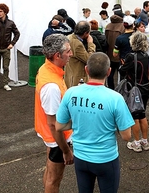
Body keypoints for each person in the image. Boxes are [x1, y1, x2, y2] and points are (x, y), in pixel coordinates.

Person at [55, 52, 134, 193]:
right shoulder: (115, 98)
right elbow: (126, 136)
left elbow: (59, 126)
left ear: (86, 69)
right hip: (106, 158)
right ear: (109, 72)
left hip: (81, 157)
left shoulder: (71, 93)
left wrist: (81, 123)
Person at [34, 34, 74, 193]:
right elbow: (53, 124)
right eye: (68, 51)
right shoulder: (51, 86)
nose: (71, 54)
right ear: (58, 55)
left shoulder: (46, 68)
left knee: (50, 172)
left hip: (51, 137)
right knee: (54, 179)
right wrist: (66, 150)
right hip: (58, 139)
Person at [119, 32, 149, 153]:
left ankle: (136, 142)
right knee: (143, 114)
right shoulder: (146, 55)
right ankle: (145, 141)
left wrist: (123, 65)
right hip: (145, 88)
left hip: (134, 89)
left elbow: (122, 71)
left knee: (135, 116)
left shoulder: (131, 56)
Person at [64, 21, 96, 87]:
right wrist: (90, 44)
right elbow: (89, 59)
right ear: (85, 33)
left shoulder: (68, 37)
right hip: (77, 78)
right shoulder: (77, 44)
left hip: (69, 74)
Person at [105, 10, 125, 89]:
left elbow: (105, 40)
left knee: (110, 73)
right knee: (121, 74)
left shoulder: (108, 25)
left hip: (109, 53)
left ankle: (110, 88)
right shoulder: (122, 26)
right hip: (119, 54)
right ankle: (120, 90)